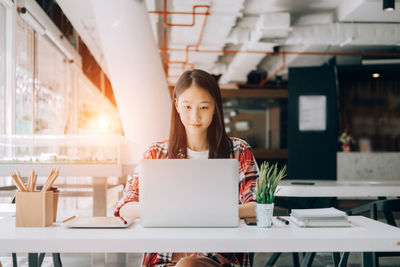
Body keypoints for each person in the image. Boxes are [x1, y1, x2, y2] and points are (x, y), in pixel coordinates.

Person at [115, 69, 259, 267]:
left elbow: (257, 206)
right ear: (176, 105)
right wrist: (169, 212)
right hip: (164, 260)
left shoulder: (238, 150)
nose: (195, 116)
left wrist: (199, 213)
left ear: (215, 108)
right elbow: (125, 207)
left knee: (188, 265)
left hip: (218, 258)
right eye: (187, 106)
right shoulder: (156, 153)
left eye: (204, 107)